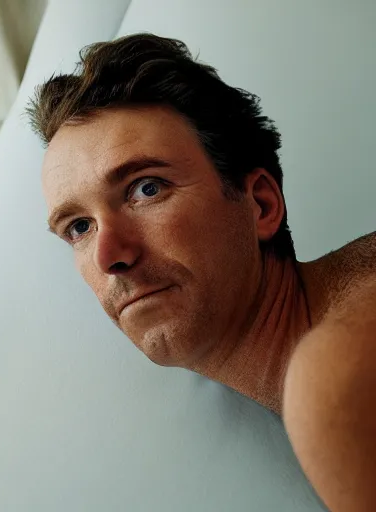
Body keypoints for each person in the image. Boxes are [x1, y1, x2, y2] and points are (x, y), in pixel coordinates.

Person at [28, 33, 376, 512]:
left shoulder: (338, 375)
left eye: (146, 189)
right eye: (79, 227)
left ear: (260, 204)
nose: (110, 254)